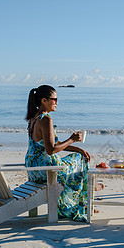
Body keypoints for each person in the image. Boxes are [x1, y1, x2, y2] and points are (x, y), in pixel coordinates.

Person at [24, 85, 101, 221]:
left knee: (78, 156)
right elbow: (51, 150)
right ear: (44, 100)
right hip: (47, 170)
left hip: (34, 169)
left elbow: (52, 145)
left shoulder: (34, 118)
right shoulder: (46, 120)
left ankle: (84, 197)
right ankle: (78, 205)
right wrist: (72, 139)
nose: (57, 103)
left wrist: (78, 148)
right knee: (80, 162)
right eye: (54, 99)